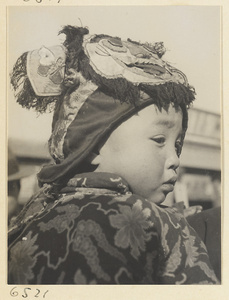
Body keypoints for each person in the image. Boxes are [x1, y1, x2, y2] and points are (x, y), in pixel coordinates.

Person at [8, 26, 220, 284]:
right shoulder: (154, 221)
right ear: (93, 144)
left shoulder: (32, 215)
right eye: (159, 140)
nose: (175, 159)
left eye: (177, 145)